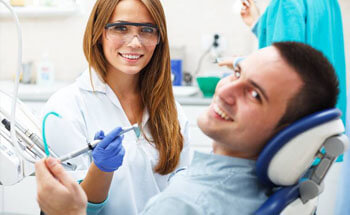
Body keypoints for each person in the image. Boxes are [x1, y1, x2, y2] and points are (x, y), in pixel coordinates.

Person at [36, 41, 339, 215]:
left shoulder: (184, 205)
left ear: (287, 133)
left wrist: (69, 213)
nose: (225, 90)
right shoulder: (284, 185)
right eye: (236, 72)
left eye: (255, 94)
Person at [41, 0, 191, 214]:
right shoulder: (65, 108)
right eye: (121, 28)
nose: (135, 42)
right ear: (98, 32)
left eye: (147, 30)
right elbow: (69, 209)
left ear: (159, 38)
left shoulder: (171, 110)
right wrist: (101, 170)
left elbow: (181, 187)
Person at [223, 0, 347, 126]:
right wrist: (257, 24)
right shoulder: (331, 3)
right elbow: (310, 45)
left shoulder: (285, 3)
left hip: (298, 123)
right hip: (327, 122)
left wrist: (240, 63)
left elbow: (281, 69)